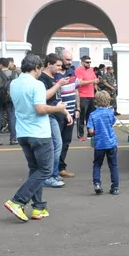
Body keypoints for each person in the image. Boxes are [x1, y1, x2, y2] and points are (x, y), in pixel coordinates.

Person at [3, 54, 72, 222]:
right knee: (46, 170)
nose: (41, 71)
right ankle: (18, 200)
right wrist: (59, 108)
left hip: (22, 133)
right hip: (39, 133)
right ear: (36, 68)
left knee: (35, 169)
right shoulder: (37, 84)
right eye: (40, 68)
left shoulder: (14, 83)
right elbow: (40, 109)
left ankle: (38, 207)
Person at [38, 54, 72, 188]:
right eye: (57, 65)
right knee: (57, 145)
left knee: (56, 145)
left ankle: (52, 174)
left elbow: (57, 100)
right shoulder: (42, 79)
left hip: (56, 114)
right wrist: (58, 84)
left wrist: (66, 112)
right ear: (48, 64)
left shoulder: (54, 78)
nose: (60, 68)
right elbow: (44, 96)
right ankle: (51, 175)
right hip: (48, 115)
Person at [87, 90, 119, 195]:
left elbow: (91, 131)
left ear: (96, 101)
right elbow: (113, 122)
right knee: (113, 165)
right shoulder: (110, 112)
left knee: (97, 164)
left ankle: (97, 184)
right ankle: (115, 187)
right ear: (108, 101)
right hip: (111, 142)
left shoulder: (93, 114)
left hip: (99, 144)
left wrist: (95, 132)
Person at [56, 50, 80, 179]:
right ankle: (53, 170)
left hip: (71, 113)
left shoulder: (72, 72)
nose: (69, 62)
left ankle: (61, 168)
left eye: (70, 60)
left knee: (66, 142)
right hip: (59, 114)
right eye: (67, 60)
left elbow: (76, 92)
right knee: (56, 142)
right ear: (60, 59)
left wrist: (77, 109)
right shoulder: (55, 75)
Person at [75, 55, 98, 141]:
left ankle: (90, 133)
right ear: (82, 62)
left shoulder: (91, 70)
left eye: (90, 62)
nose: (89, 64)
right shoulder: (78, 70)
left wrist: (97, 91)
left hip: (91, 95)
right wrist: (92, 81)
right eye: (87, 62)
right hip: (82, 96)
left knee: (90, 116)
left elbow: (95, 80)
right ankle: (80, 135)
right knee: (81, 116)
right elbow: (80, 82)